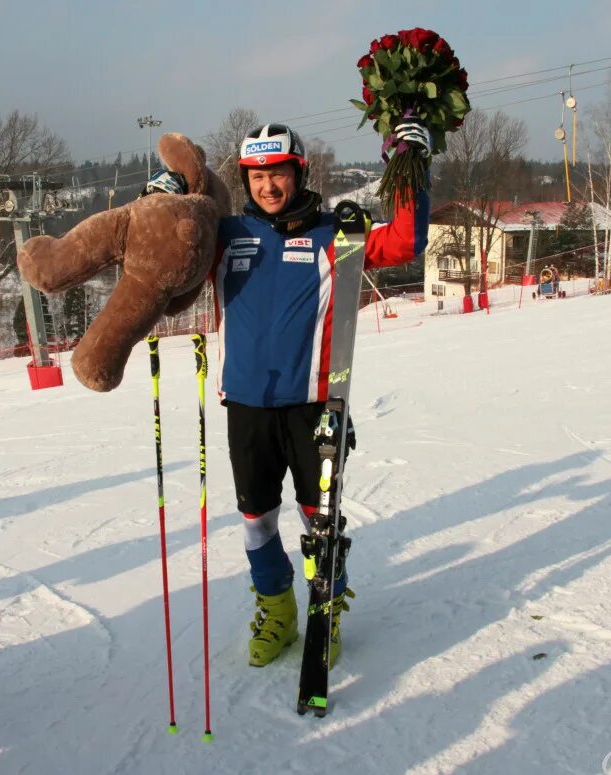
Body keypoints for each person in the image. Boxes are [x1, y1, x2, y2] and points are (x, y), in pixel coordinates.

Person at [150, 122, 430, 667]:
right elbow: (165, 258)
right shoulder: (225, 235)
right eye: (257, 175)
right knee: (256, 520)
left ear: (298, 173)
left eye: (277, 173)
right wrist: (159, 201)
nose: (268, 186)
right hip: (248, 407)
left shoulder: (335, 234)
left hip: (313, 409)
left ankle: (326, 608)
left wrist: (409, 170)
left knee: (318, 520)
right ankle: (277, 610)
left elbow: (404, 240)